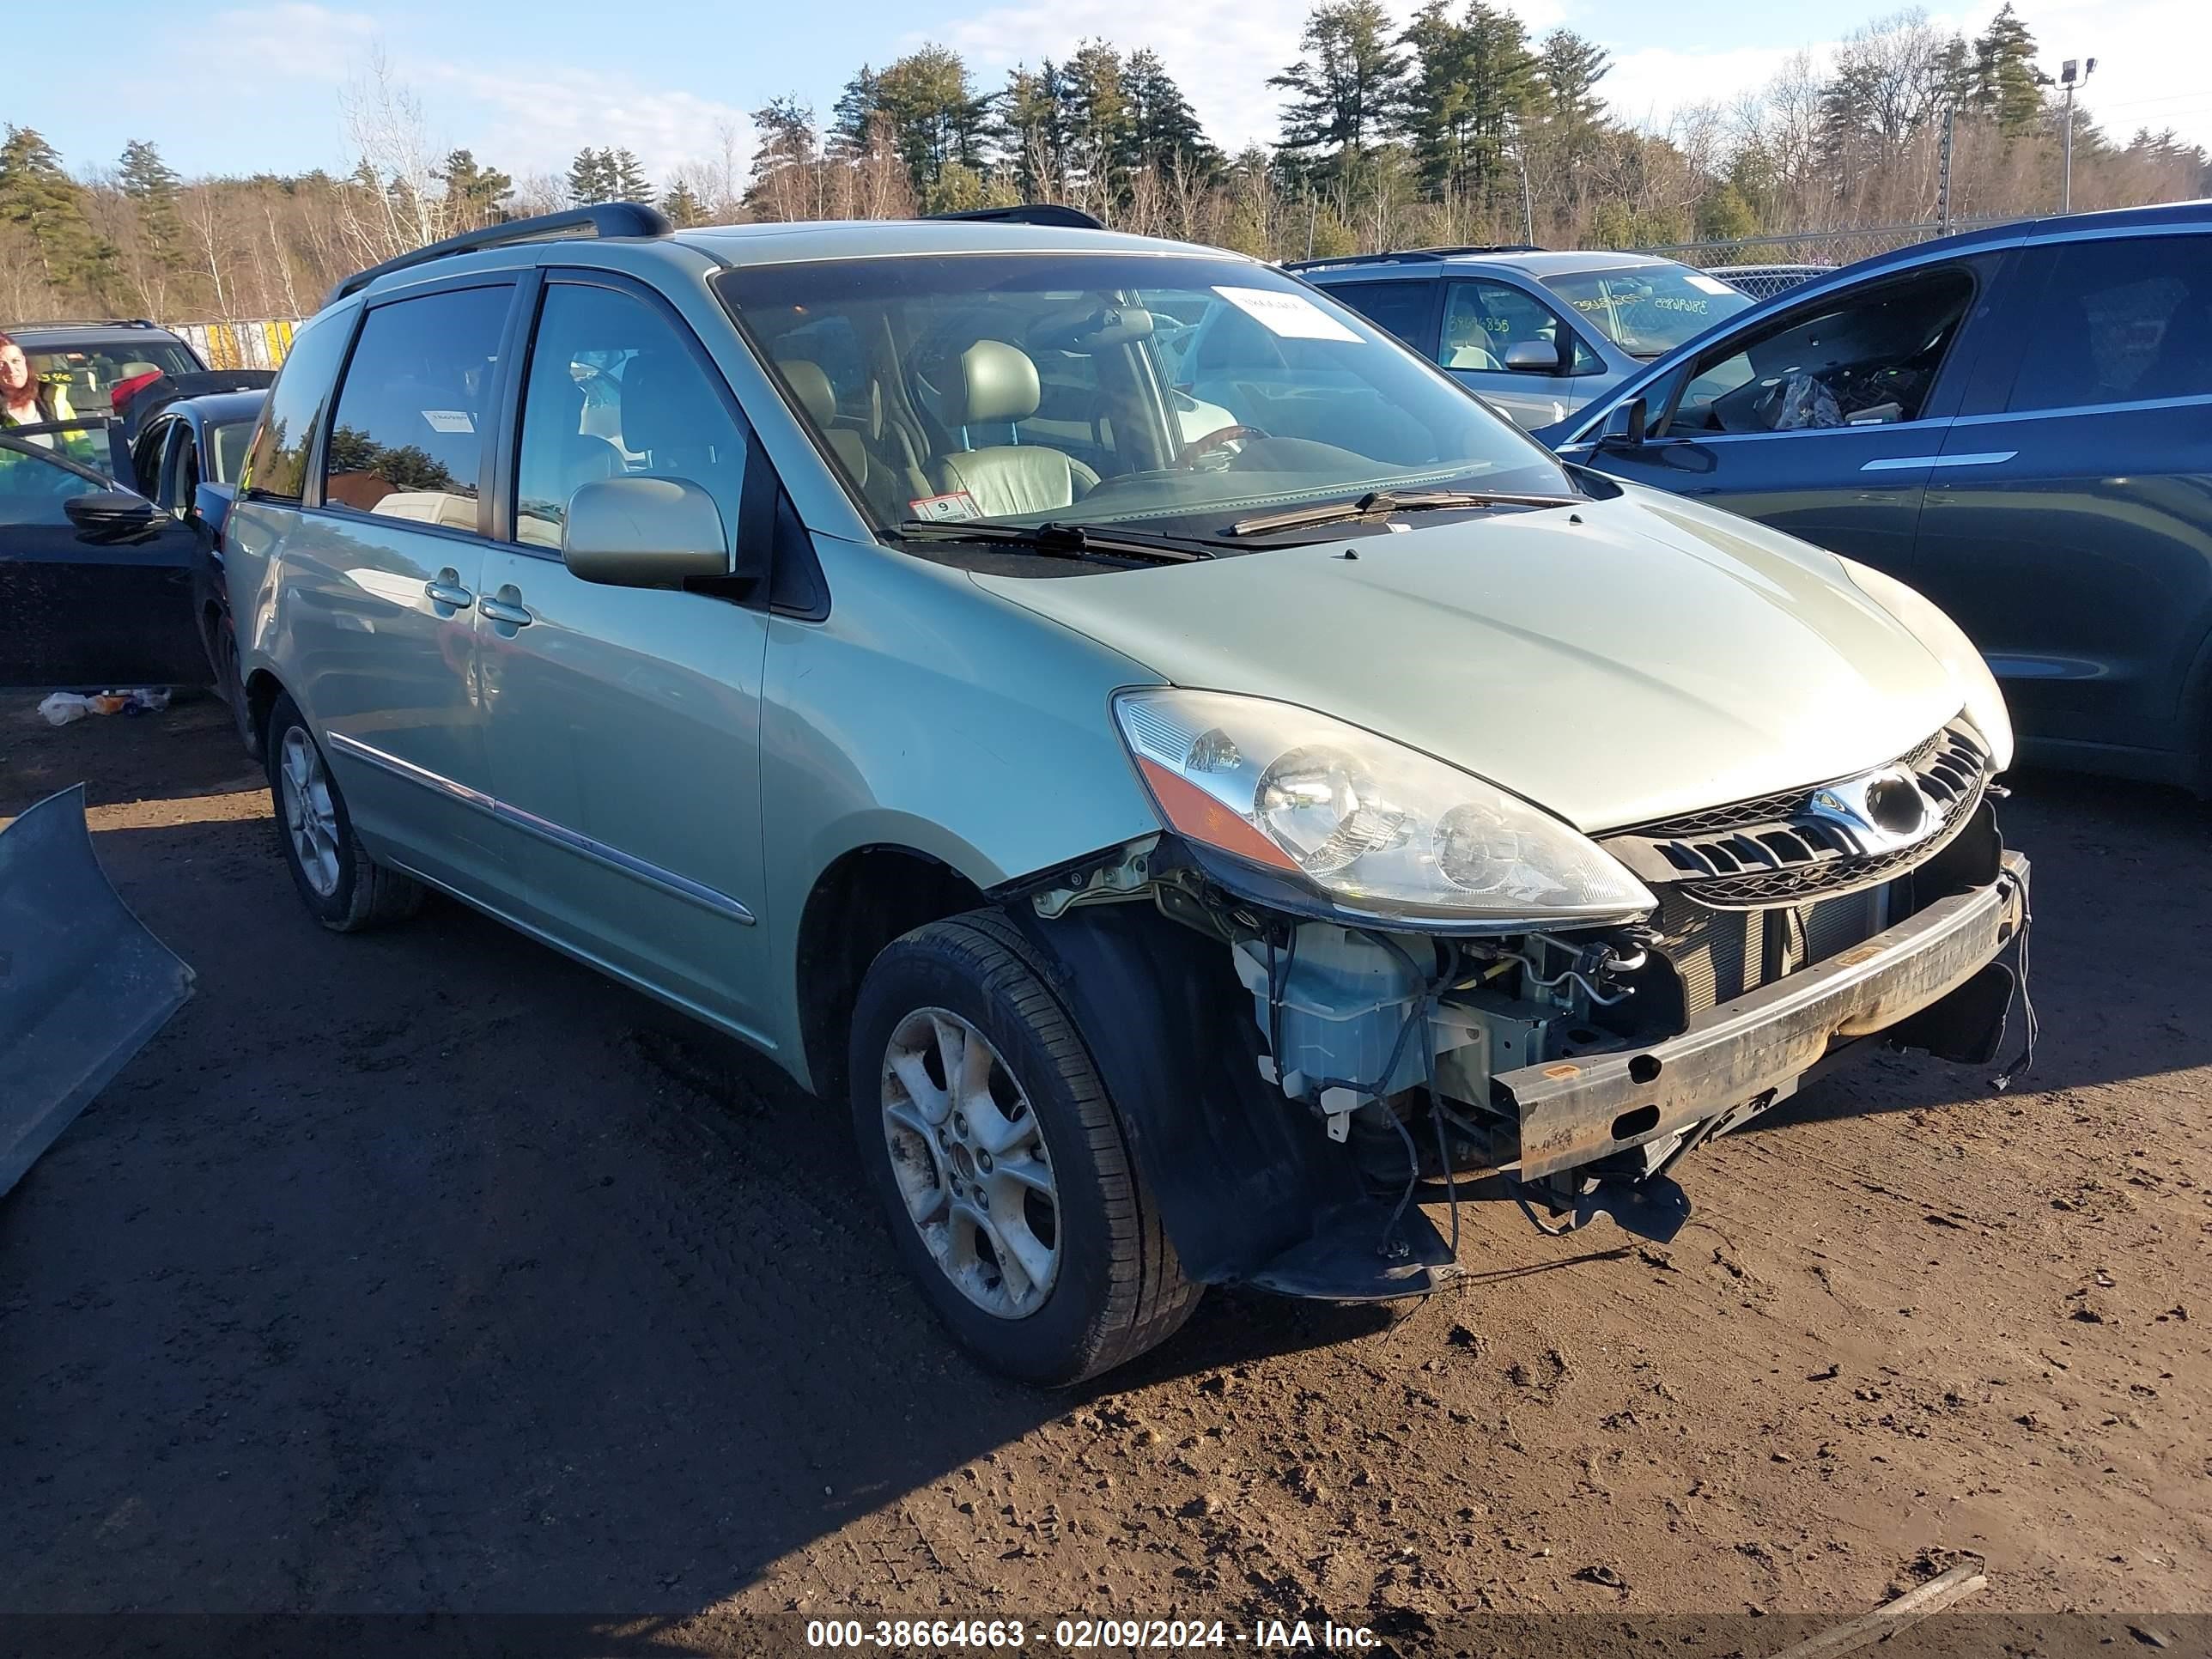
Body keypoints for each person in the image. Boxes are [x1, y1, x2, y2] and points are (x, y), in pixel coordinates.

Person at [0, 332, 76, 447]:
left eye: (16, 361)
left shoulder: (52, 396)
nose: (11, 370)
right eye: (1, 364)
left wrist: (88, 460)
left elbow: (79, 441)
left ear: (24, 361)